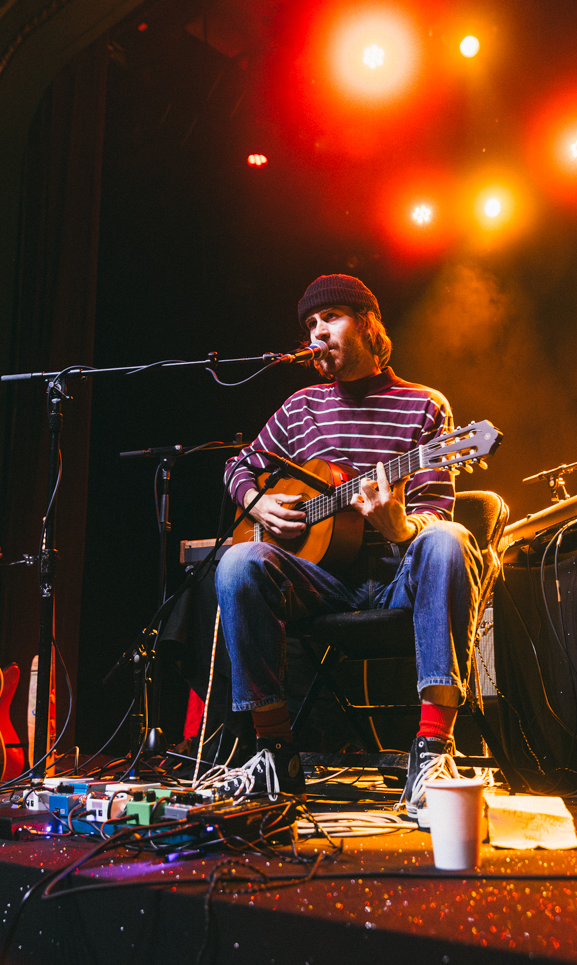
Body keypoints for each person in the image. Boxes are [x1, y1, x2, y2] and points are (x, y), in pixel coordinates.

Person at [215, 274, 483, 816]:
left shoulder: (424, 407)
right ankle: (274, 753)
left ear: (366, 323)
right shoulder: (300, 408)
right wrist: (257, 504)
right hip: (323, 583)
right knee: (238, 558)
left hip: (395, 576)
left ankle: (432, 747)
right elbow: (238, 464)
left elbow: (436, 511)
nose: (316, 332)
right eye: (310, 324)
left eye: (330, 318)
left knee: (450, 540)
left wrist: (400, 527)